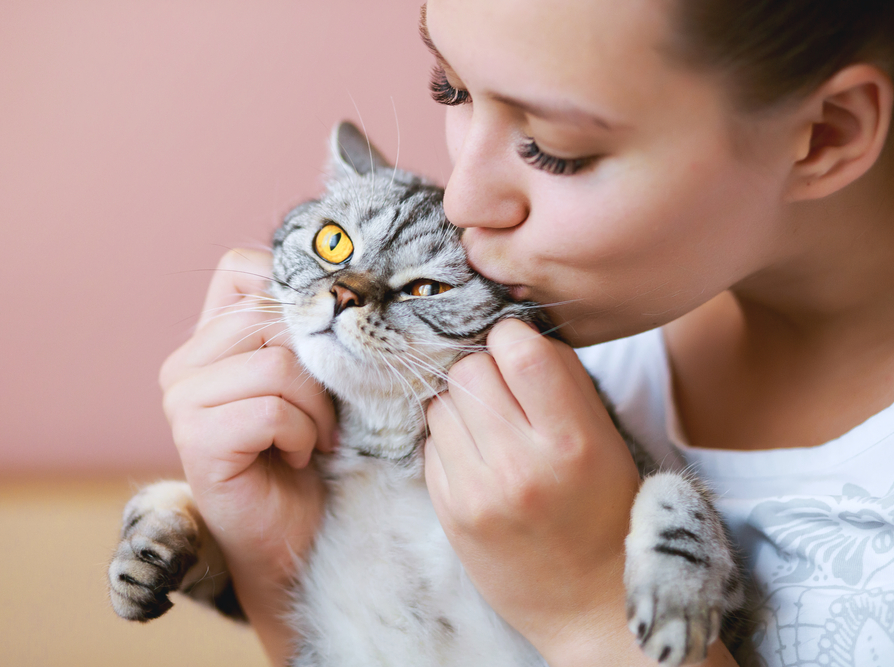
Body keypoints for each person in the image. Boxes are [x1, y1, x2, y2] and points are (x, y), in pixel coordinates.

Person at [158, 0, 894, 665]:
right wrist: (279, 556)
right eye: (451, 89)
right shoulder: (553, 310)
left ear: (824, 135)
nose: (462, 199)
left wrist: (591, 614)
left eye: (554, 147)